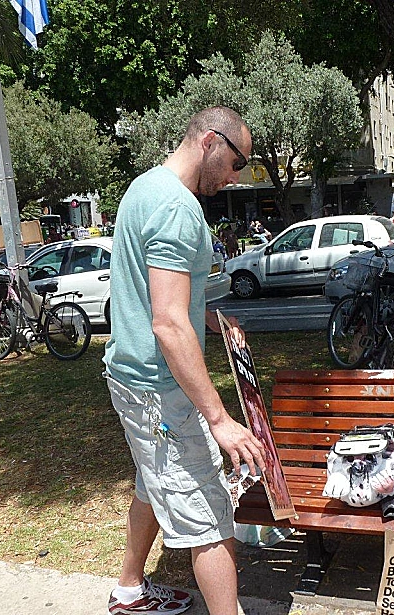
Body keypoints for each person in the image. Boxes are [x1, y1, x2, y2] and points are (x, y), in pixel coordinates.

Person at [102, 106, 266, 615]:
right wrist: (219, 419)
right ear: (211, 142)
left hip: (132, 377)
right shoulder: (177, 208)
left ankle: (130, 587)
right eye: (238, 162)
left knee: (153, 480)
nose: (237, 177)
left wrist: (207, 317)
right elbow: (167, 324)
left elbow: (161, 297)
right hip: (156, 389)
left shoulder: (145, 187)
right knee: (209, 513)